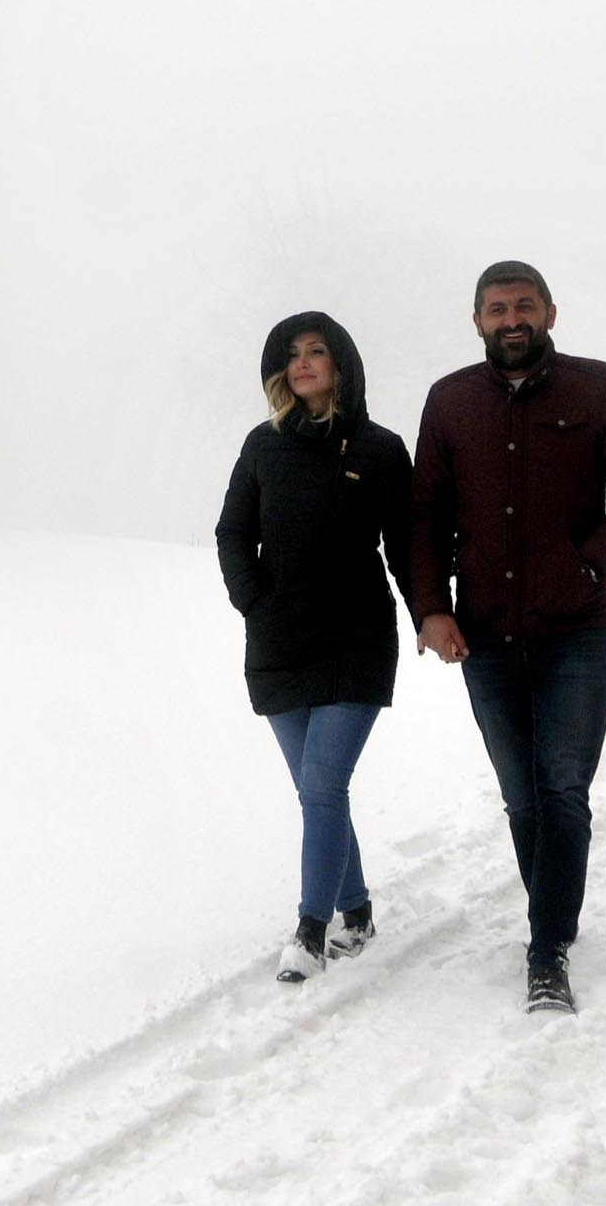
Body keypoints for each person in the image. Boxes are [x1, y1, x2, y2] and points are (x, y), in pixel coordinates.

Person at [409, 261, 606, 1015]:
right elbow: (425, 516)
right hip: (483, 636)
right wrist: (432, 608)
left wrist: (591, 565)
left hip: (576, 631)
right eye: (496, 307)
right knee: (523, 799)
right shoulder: (450, 401)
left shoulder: (599, 388)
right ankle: (555, 913)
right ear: (477, 319)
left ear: (550, 311)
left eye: (524, 305)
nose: (511, 317)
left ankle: (545, 946)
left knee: (562, 789)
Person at [214, 311, 422, 983]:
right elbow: (232, 531)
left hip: (357, 638)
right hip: (280, 641)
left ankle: (312, 928)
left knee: (323, 782)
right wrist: (254, 599)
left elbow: (410, 546)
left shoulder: (380, 449)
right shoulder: (262, 445)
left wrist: (432, 614)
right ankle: (356, 909)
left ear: (341, 365)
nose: (303, 363)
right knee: (316, 788)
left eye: (316, 351)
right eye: (292, 354)